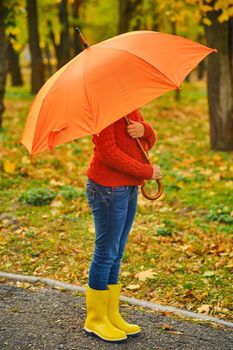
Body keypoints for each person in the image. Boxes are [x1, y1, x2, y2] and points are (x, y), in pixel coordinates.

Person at [83, 109, 162, 342]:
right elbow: (108, 154)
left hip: (128, 187)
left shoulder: (130, 106)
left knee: (117, 251)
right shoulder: (103, 111)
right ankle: (95, 320)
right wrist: (146, 171)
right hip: (108, 189)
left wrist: (145, 130)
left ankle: (111, 313)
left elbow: (147, 143)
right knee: (106, 252)